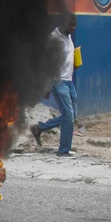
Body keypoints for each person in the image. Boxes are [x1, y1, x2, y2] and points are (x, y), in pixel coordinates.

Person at [30, 13, 78, 156]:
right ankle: (63, 151)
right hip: (59, 82)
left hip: (69, 81)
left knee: (71, 116)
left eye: (75, 26)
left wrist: (74, 63)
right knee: (68, 116)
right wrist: (46, 86)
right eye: (71, 25)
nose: (73, 28)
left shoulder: (68, 37)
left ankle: (39, 128)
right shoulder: (53, 38)